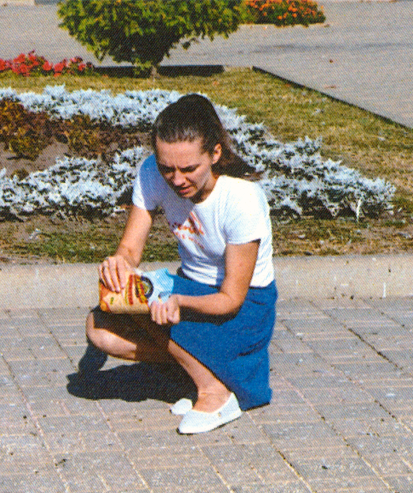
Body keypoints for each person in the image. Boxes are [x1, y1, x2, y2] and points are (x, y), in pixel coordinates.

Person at [84, 93, 276, 435]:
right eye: (166, 168)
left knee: (149, 305)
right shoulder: (150, 173)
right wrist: (118, 264)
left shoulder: (242, 199)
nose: (176, 180)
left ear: (215, 153)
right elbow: (130, 249)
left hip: (243, 308)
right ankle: (207, 370)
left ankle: (215, 392)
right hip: (189, 287)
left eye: (189, 169)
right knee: (100, 327)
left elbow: (232, 298)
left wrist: (177, 301)